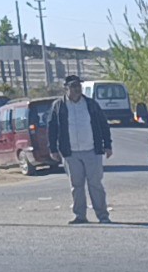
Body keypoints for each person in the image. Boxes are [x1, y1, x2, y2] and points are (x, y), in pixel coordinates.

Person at [48, 75, 113, 224]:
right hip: (70, 153)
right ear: (66, 88)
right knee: (76, 185)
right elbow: (52, 128)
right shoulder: (59, 106)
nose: (77, 89)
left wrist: (107, 145)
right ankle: (80, 216)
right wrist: (53, 149)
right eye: (73, 86)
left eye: (78, 86)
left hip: (92, 150)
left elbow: (103, 124)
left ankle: (103, 216)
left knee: (95, 184)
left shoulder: (91, 104)